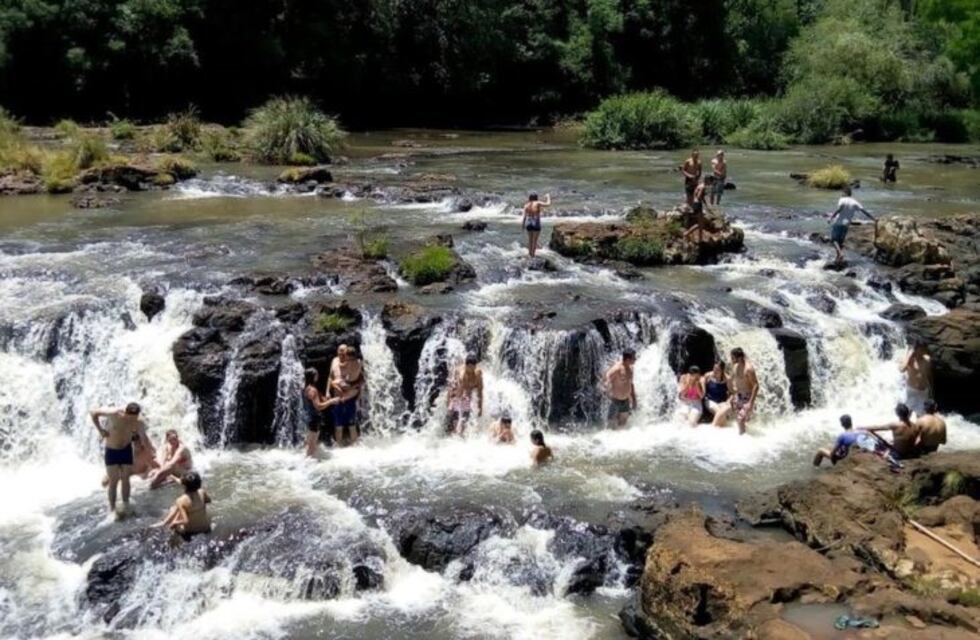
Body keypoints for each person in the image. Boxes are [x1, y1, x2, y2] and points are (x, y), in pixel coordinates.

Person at [90, 403, 151, 516]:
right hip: (111, 450)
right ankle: (112, 509)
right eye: (130, 417)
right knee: (113, 480)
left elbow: (144, 437)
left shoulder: (139, 422)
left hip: (125, 449)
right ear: (125, 413)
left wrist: (150, 452)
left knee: (125, 478)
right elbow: (93, 412)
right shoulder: (114, 413)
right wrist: (100, 430)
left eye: (135, 417)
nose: (132, 420)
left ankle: (126, 504)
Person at [153, 471, 212, 542]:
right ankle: (164, 523)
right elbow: (209, 500)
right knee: (181, 509)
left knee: (174, 509)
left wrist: (175, 522)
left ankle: (166, 528)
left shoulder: (181, 500)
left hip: (191, 532)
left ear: (184, 486)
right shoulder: (202, 492)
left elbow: (185, 521)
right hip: (206, 529)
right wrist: (173, 477)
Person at [827, 186, 876, 265]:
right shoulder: (855, 202)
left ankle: (840, 254)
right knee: (840, 242)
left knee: (834, 240)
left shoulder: (842, 200)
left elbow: (839, 209)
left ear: (844, 192)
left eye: (842, 192)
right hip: (847, 224)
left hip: (839, 222)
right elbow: (864, 211)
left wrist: (831, 217)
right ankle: (838, 258)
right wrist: (873, 219)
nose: (841, 194)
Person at [329, 344, 365, 447]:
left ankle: (342, 445)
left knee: (347, 424)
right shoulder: (358, 362)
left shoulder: (346, 363)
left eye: (344, 352)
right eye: (340, 351)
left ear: (347, 355)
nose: (342, 354)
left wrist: (348, 386)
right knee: (345, 424)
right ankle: (353, 445)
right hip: (343, 396)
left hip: (348, 397)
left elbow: (361, 380)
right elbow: (332, 378)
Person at [302, 368, 343, 457]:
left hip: (309, 417)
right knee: (312, 445)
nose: (318, 376)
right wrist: (331, 401)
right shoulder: (313, 390)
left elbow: (312, 403)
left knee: (309, 443)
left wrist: (324, 399)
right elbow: (318, 406)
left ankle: (307, 458)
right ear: (313, 376)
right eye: (316, 374)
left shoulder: (305, 388)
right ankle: (308, 462)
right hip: (315, 419)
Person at [446, 354, 484, 435]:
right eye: (469, 367)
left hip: (466, 395)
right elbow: (455, 391)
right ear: (466, 365)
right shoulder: (461, 374)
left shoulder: (478, 373)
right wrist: (450, 404)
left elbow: (480, 392)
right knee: (455, 419)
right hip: (457, 394)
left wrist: (480, 407)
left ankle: (461, 435)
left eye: (472, 367)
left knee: (464, 420)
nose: (470, 370)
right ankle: (451, 433)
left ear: (475, 366)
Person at [729, 348, 759, 435]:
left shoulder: (748, 369)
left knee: (740, 420)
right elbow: (735, 382)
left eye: (732, 358)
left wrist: (750, 403)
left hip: (747, 398)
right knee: (741, 421)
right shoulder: (735, 366)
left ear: (739, 358)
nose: (731, 360)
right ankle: (747, 437)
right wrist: (733, 396)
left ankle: (743, 442)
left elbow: (756, 386)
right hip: (738, 397)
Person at [605, 348, 637, 428]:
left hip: (625, 401)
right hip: (615, 401)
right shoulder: (617, 368)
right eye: (634, 358)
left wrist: (634, 398)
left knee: (623, 426)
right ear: (628, 359)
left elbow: (631, 384)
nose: (635, 359)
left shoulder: (631, 368)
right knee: (611, 426)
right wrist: (607, 388)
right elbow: (607, 377)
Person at [899, 342, 932, 417]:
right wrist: (909, 356)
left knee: (921, 415)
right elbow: (901, 369)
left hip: (923, 392)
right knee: (907, 414)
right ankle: (907, 428)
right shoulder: (910, 360)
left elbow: (929, 374)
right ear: (916, 349)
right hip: (912, 391)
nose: (924, 351)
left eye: (924, 349)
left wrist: (931, 390)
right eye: (922, 349)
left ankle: (918, 428)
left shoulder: (927, 359)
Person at [683, 176, 713, 246]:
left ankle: (700, 238)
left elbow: (695, 195)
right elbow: (699, 197)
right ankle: (687, 234)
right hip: (698, 205)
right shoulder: (703, 187)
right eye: (711, 182)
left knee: (701, 223)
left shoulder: (699, 185)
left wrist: (705, 204)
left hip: (695, 204)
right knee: (700, 224)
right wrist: (702, 200)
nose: (711, 184)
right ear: (708, 181)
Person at [522, 193, 551, 259]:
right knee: (535, 241)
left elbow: (524, 217)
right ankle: (533, 255)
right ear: (536, 198)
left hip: (528, 223)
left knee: (530, 240)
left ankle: (529, 254)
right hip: (536, 223)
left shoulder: (526, 205)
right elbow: (548, 204)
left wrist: (523, 225)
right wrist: (548, 197)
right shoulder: (537, 203)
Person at [702, 361, 731, 427]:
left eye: (717, 369)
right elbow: (702, 385)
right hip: (710, 400)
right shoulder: (708, 376)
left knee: (725, 411)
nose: (715, 370)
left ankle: (719, 430)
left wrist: (728, 401)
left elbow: (731, 392)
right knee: (718, 411)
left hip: (722, 401)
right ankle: (717, 428)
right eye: (714, 368)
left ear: (722, 370)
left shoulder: (727, 379)